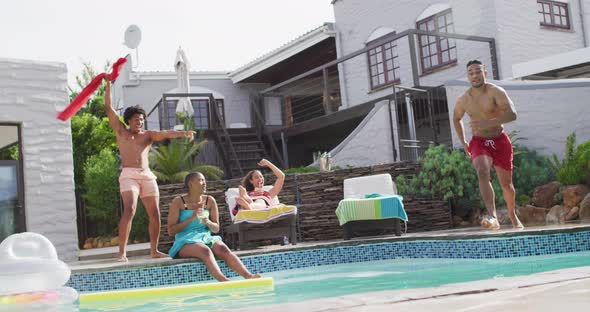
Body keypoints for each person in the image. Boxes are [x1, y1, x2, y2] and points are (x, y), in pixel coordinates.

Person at [104, 79, 196, 262]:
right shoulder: (121, 131)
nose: (140, 122)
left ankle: (154, 250)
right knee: (129, 209)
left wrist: (183, 133)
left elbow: (165, 133)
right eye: (136, 119)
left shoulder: (148, 135)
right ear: (129, 120)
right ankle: (122, 252)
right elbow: (108, 108)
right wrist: (107, 86)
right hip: (129, 175)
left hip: (146, 175)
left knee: (155, 213)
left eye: (142, 119)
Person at [452, 60, 524, 230]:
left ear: (485, 73)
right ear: (468, 76)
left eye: (478, 71)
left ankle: (512, 214)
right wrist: (463, 142)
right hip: (479, 141)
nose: (475, 75)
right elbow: (456, 118)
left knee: (506, 185)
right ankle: (493, 216)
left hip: (500, 140)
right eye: (471, 73)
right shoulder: (464, 99)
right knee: (482, 170)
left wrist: (489, 123)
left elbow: (512, 115)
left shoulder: (496, 92)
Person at [167, 172, 261, 281]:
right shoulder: (178, 202)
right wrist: (191, 218)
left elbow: (216, 228)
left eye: (204, 181)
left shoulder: (209, 200)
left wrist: (207, 222)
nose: (204, 183)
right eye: (201, 180)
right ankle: (224, 280)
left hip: (205, 237)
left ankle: (248, 276)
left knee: (223, 248)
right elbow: (171, 231)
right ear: (191, 183)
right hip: (184, 241)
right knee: (205, 251)